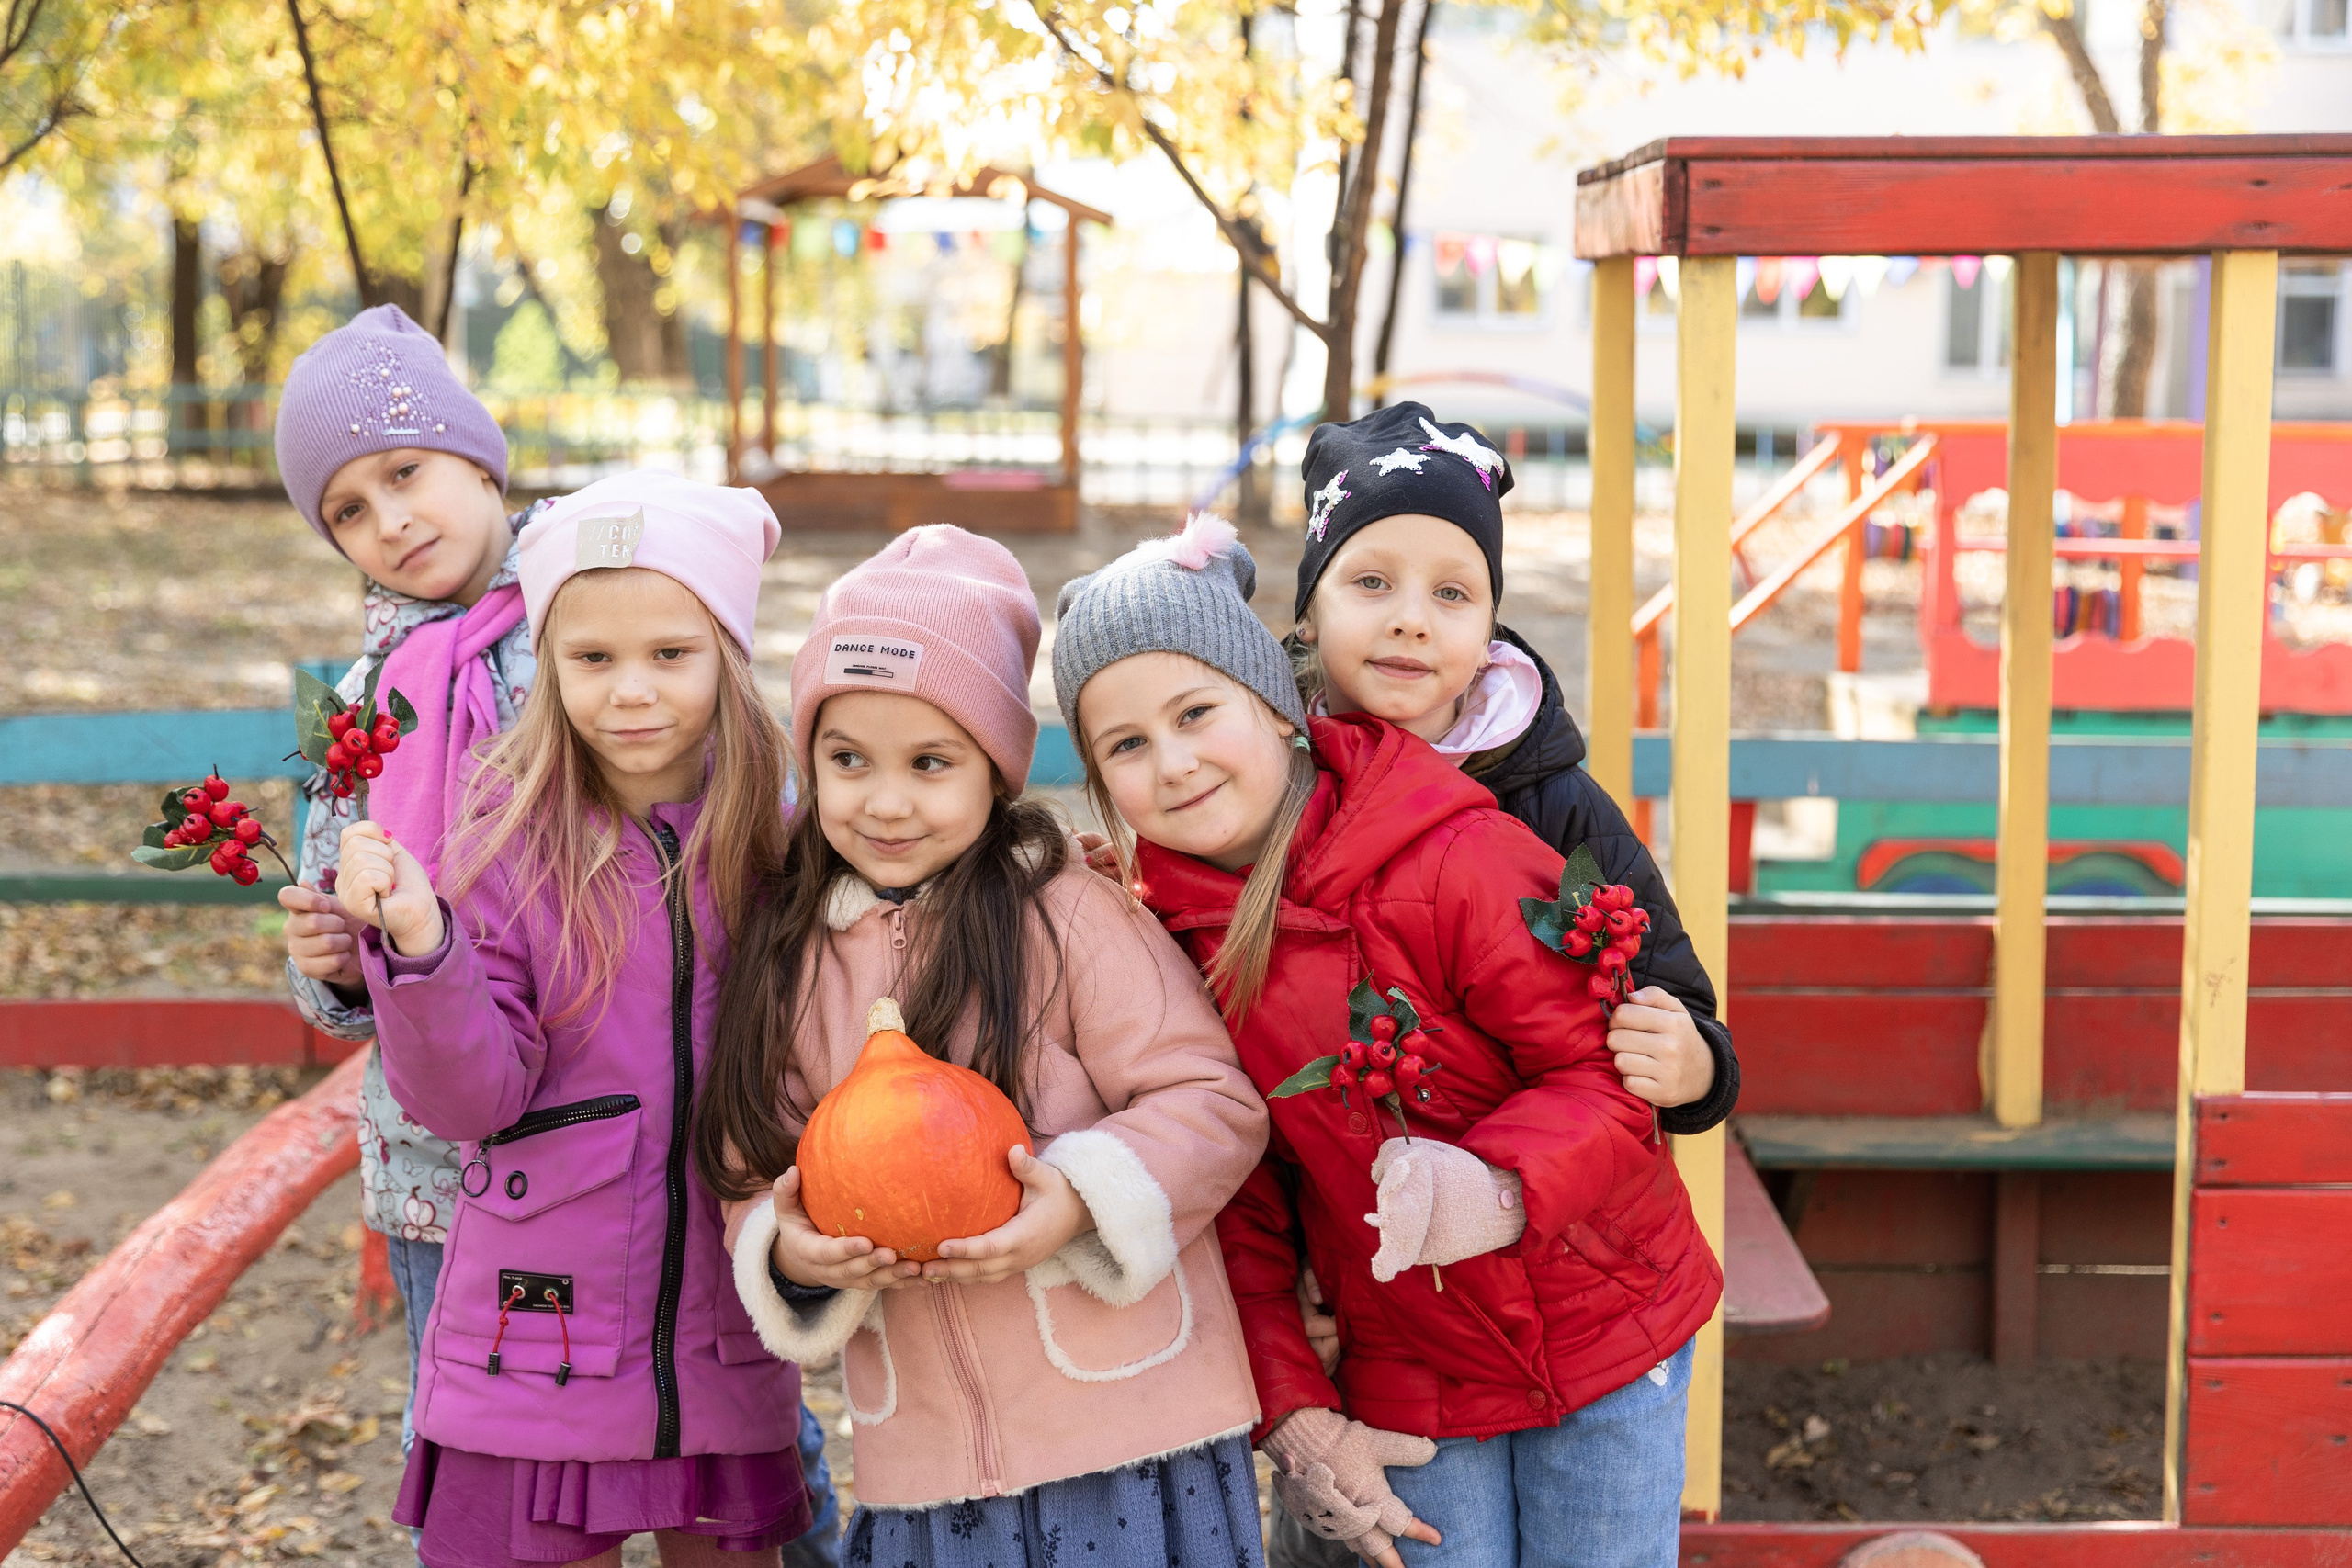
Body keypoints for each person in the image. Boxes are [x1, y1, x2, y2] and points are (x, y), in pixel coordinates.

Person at [1055, 513, 1724, 1568]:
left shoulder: (1454, 857)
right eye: (1127, 746)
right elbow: (1234, 1209)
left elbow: (1602, 1073)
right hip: (1416, 1362)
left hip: (1605, 1320)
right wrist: (1292, 1410)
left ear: (1277, 708)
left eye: (1195, 713)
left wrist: (1500, 1185)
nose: (1174, 762)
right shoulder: (1159, 953)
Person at [696, 525, 1272, 1568]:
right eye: (846, 760)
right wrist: (790, 1250)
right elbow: (754, 1164)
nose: (884, 799)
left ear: (995, 769)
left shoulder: (1066, 915)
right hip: (929, 1465)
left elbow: (1211, 1101)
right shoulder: (789, 953)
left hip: (1131, 1435)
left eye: (929, 762)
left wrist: (1078, 1198)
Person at [335, 472, 815, 1568]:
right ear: (549, 665)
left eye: (670, 655)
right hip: (539, 1319)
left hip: (717, 1307)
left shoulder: (780, 843)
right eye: (592, 659)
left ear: (727, 657)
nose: (631, 692)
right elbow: (468, 1095)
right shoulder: (504, 842)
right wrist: (422, 946)